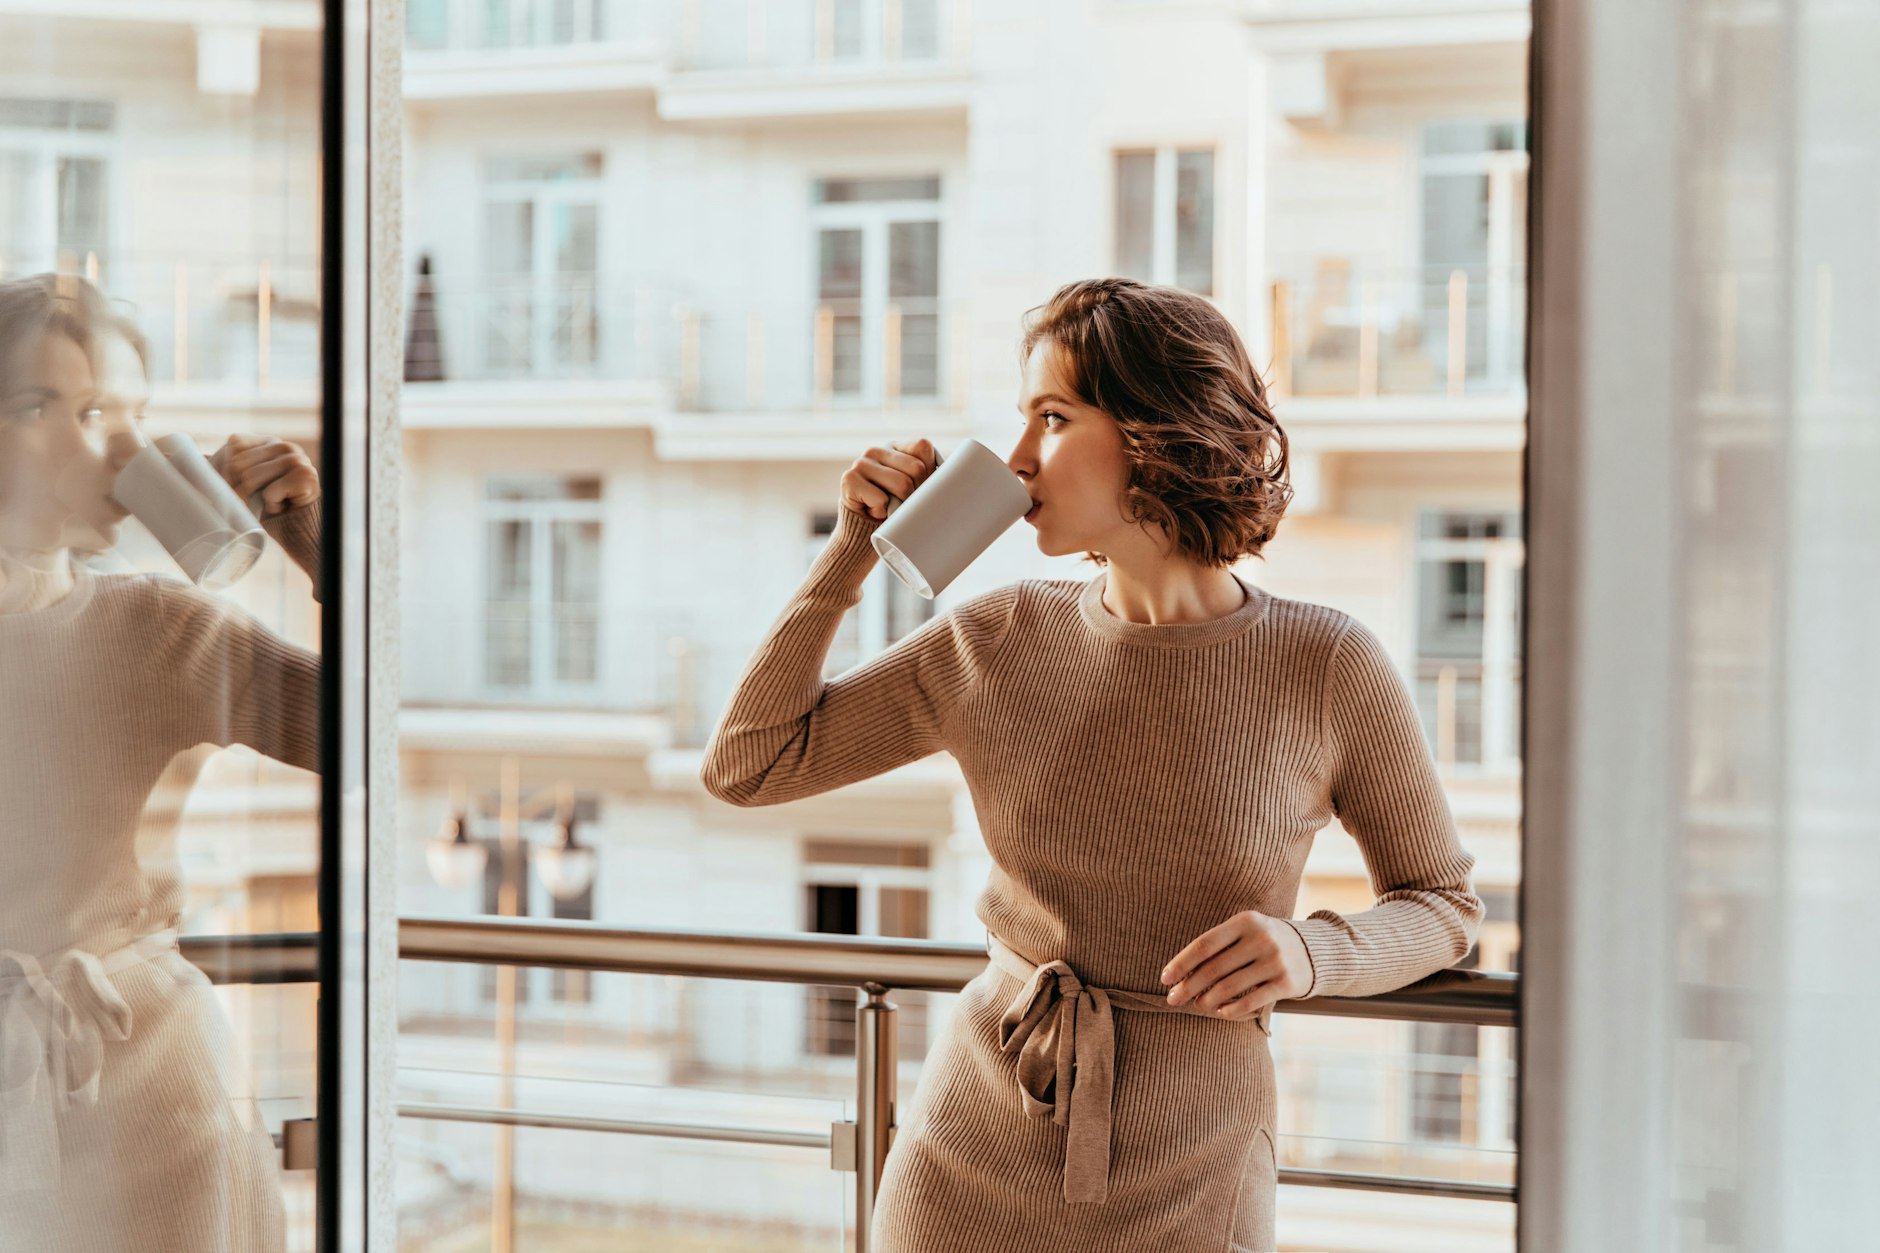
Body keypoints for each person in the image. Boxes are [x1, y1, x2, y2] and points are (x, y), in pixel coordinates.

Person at [700, 277, 1484, 1252]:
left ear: (1158, 432)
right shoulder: (996, 638)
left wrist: (1309, 952)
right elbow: (749, 763)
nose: (1018, 457)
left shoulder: (1324, 663)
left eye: (1052, 417)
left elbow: (1440, 903)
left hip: (1195, 1177)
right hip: (963, 1157)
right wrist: (849, 553)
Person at [0, 272, 322, 1252]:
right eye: (72, 407)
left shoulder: (158, 628)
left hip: (151, 1097)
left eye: (131, 410)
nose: (120, 444)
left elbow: (364, 738)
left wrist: (316, 544)